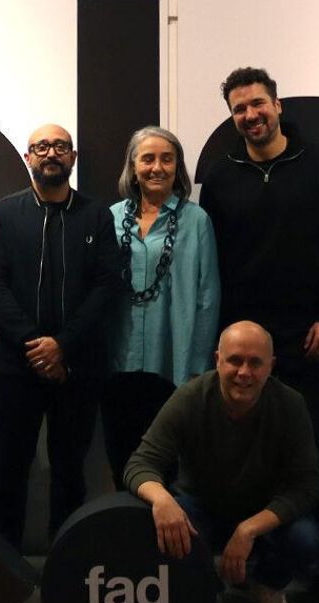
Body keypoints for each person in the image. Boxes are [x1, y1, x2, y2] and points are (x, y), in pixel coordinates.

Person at [199, 67, 319, 590]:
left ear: (277, 105)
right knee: (246, 450)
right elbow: (213, 262)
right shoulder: (220, 177)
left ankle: (310, 555)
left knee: (312, 446)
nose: (250, 115)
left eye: (257, 104)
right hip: (243, 345)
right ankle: (255, 553)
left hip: (308, 337)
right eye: (239, 109)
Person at [125, 321, 319, 603]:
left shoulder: (290, 404)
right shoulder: (190, 397)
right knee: (159, 526)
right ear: (218, 360)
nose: (244, 372)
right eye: (235, 360)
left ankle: (269, 587)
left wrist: (248, 530)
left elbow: (306, 486)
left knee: (305, 538)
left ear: (271, 366)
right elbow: (141, 463)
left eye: (255, 363)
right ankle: (206, 586)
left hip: (262, 513)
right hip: (200, 507)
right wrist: (162, 501)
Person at [0, 124, 120, 547]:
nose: (51, 153)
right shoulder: (6, 214)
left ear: (73, 157)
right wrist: (36, 346)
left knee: (70, 471)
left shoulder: (97, 215)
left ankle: (66, 562)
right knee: (10, 470)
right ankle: (3, 565)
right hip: (17, 365)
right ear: (28, 158)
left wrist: (63, 345)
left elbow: (106, 285)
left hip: (77, 366)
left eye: (60, 146)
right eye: (42, 146)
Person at [100, 126, 220, 488]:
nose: (157, 167)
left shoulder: (196, 221)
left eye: (167, 159)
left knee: (165, 463)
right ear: (133, 167)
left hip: (173, 363)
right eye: (148, 159)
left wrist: (197, 365)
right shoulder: (110, 218)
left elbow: (207, 297)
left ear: (177, 167)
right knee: (121, 457)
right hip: (118, 360)